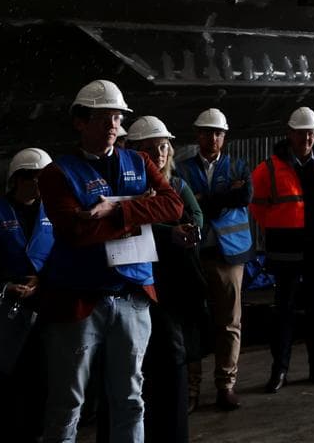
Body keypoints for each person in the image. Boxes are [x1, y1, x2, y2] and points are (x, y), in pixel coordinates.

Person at [37, 79, 183, 443]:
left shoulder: (139, 161)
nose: (112, 126)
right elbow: (75, 231)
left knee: (130, 400)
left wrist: (116, 209)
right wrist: (140, 209)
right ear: (80, 122)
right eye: (103, 119)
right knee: (68, 403)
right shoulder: (57, 173)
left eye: (117, 118)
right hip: (79, 301)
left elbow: (173, 206)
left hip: (132, 297)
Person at [127, 116, 206, 443]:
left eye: (163, 147)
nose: (159, 153)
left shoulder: (177, 185)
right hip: (140, 278)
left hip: (172, 280)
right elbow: (131, 222)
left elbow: (196, 217)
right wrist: (166, 228)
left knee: (173, 350)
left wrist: (179, 229)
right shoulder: (129, 189)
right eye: (151, 148)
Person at [250, 106, 314, 394]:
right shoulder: (268, 168)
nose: (307, 139)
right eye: (301, 134)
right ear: (290, 134)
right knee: (283, 312)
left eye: (311, 133)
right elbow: (257, 207)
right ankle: (280, 371)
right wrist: (280, 229)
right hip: (285, 251)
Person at [178, 107, 255, 411]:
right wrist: (223, 197)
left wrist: (203, 199)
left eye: (218, 133)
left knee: (229, 322)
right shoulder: (182, 170)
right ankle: (191, 389)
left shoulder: (238, 166)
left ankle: (226, 385)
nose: (213, 138)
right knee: (192, 322)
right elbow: (181, 207)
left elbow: (244, 196)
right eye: (208, 132)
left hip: (230, 254)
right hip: (193, 255)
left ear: (224, 136)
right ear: (198, 135)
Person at [0, 147, 54, 443]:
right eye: (34, 178)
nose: (40, 184)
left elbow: (65, 253)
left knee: (40, 373)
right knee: (6, 373)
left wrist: (44, 281)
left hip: (45, 302)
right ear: (18, 179)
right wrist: (4, 285)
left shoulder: (54, 211)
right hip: (4, 305)